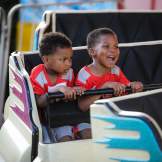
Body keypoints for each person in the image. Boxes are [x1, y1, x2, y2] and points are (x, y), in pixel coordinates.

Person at [30, 32, 91, 142]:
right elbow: (39, 102)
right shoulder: (38, 73)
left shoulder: (70, 73)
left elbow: (73, 95)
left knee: (88, 134)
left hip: (72, 115)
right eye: (63, 59)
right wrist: (57, 89)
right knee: (65, 139)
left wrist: (77, 90)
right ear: (46, 60)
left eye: (70, 59)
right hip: (53, 120)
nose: (69, 63)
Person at [75, 28, 143, 111]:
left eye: (116, 46)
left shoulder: (116, 70)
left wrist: (134, 87)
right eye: (106, 46)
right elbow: (82, 106)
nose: (113, 50)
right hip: (88, 118)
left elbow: (126, 91)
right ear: (92, 52)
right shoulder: (84, 74)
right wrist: (104, 87)